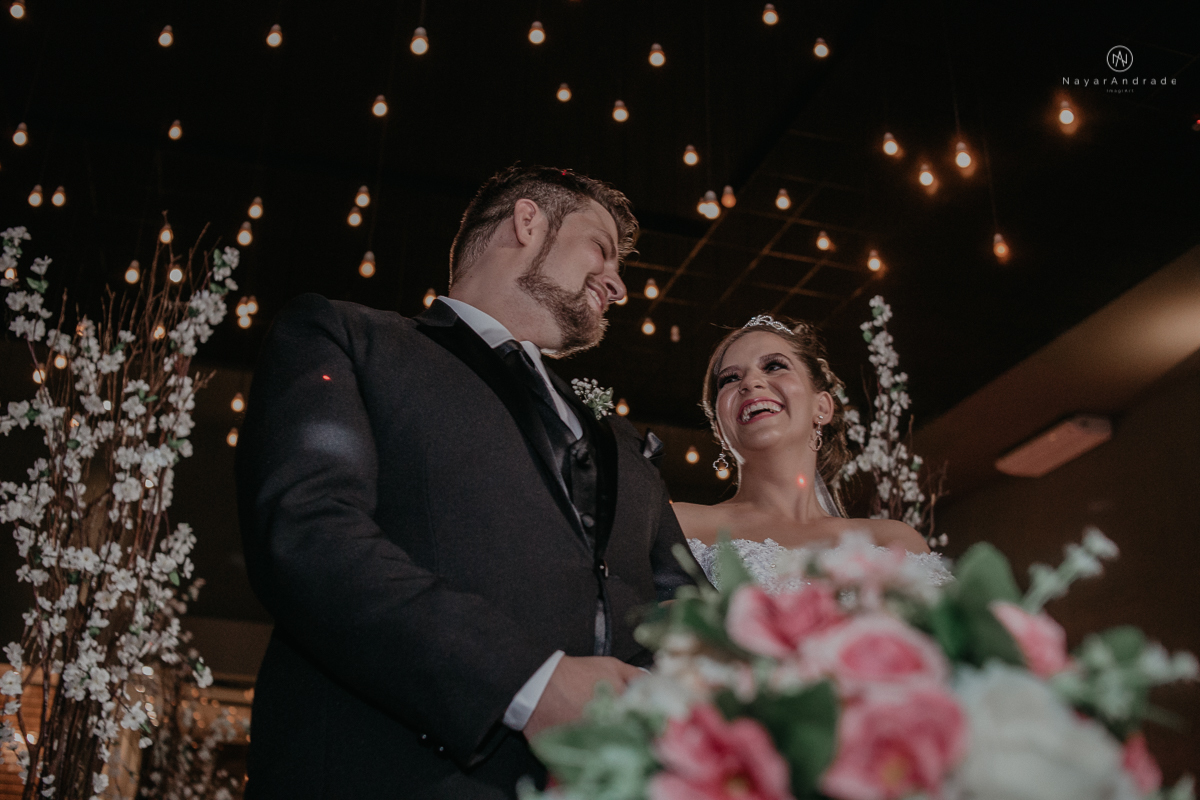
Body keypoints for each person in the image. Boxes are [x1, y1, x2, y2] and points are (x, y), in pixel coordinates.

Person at [235, 165, 700, 798]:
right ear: (528, 221)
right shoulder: (346, 339)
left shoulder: (618, 440)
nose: (617, 284)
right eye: (601, 247)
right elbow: (309, 538)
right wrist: (527, 684)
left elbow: (689, 614)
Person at [671, 315, 947, 590]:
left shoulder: (894, 542)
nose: (750, 382)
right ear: (719, 429)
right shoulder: (678, 525)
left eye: (774, 366)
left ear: (823, 407)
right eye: (730, 378)